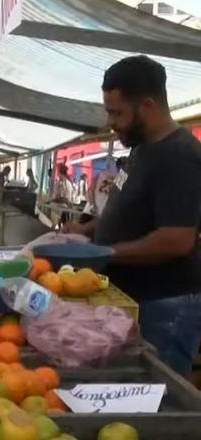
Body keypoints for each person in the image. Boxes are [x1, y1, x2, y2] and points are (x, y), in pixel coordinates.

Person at [64, 55, 201, 376]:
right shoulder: (141, 150)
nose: (110, 121)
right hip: (138, 298)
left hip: (167, 304)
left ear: (148, 105)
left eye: (117, 112)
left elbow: (176, 239)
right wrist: (87, 231)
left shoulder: (179, 156)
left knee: (158, 396)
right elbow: (129, 210)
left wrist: (103, 252)